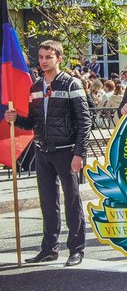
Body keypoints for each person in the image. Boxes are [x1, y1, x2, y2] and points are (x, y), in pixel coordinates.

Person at [4, 40, 91, 267]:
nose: (43, 61)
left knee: (72, 202)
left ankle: (76, 249)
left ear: (59, 58)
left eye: (48, 57)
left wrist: (79, 153)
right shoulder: (35, 87)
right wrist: (16, 120)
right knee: (47, 202)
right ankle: (49, 249)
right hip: (42, 151)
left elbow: (85, 121)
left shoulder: (72, 84)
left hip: (67, 152)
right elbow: (33, 122)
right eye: (41, 57)